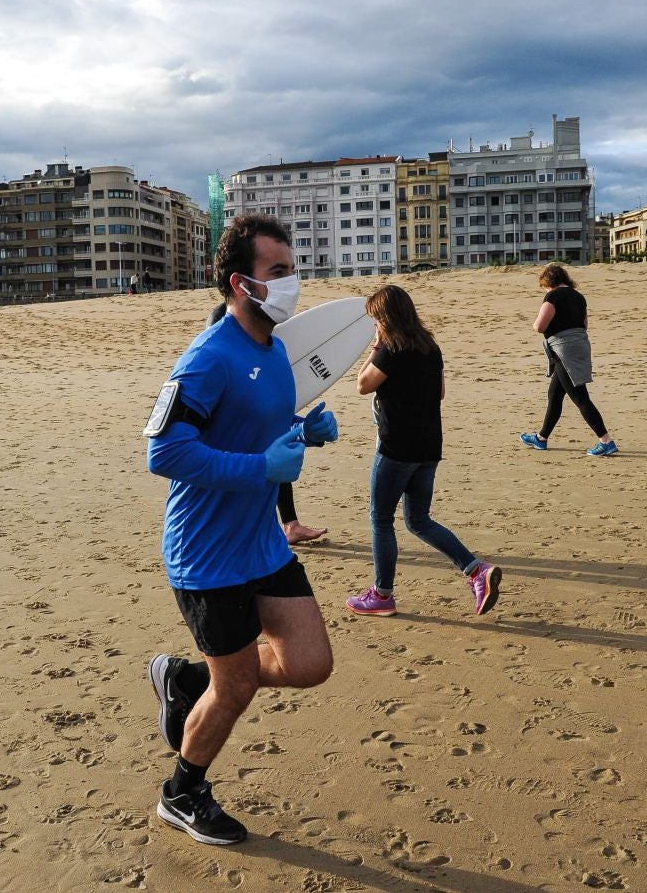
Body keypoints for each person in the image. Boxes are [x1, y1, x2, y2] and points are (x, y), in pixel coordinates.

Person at [144, 214, 337, 845]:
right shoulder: (207, 357)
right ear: (241, 283)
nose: (292, 283)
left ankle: (187, 678)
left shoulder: (278, 348)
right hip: (207, 556)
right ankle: (183, 792)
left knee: (310, 663)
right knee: (238, 690)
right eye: (277, 272)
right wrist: (262, 467)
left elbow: (263, 427)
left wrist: (303, 432)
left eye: (292, 269)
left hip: (260, 542)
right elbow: (164, 454)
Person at [348, 284, 502, 618]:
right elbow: (441, 391)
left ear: (385, 318)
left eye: (376, 320)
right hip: (429, 446)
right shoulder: (430, 346)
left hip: (396, 448)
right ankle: (477, 571)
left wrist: (375, 349)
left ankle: (382, 595)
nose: (375, 326)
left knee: (380, 518)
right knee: (418, 520)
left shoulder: (390, 348)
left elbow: (362, 385)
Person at [207, 301, 327, 544]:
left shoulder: (253, 364)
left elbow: (274, 418)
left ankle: (289, 525)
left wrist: (307, 431)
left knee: (274, 460)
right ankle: (282, 526)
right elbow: (166, 455)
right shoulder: (213, 370)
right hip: (221, 526)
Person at [518, 264, 618, 456]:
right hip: (580, 346)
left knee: (580, 397)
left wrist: (534, 323)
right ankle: (541, 438)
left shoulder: (553, 296)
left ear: (549, 281)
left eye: (544, 285)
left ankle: (606, 441)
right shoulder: (579, 297)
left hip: (564, 351)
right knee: (554, 394)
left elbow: (540, 327)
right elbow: (584, 325)